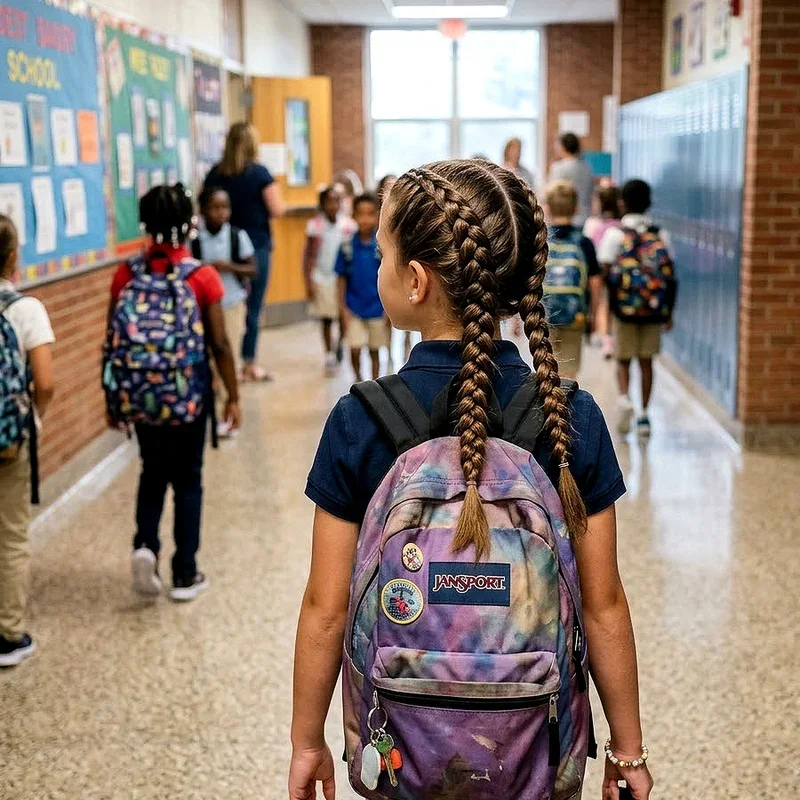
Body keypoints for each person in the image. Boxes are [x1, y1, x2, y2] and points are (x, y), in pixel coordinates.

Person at [291, 160, 652, 800]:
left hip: (400, 752)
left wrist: (307, 742)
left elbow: (327, 608)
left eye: (381, 256)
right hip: (533, 757)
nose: (376, 271)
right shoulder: (572, 417)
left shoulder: (359, 420)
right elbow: (602, 606)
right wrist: (627, 754)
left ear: (416, 281)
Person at [106, 185, 241, 602]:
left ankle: (145, 545)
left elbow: (112, 340)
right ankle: (185, 573)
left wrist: (113, 398)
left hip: (142, 397)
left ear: (144, 225)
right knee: (188, 480)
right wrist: (232, 396)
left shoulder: (126, 275)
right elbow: (219, 344)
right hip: (188, 396)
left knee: (152, 472)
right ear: (190, 223)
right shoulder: (201, 276)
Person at [0, 214, 55, 667]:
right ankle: (8, 634)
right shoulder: (25, 309)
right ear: (14, 256)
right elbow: (46, 381)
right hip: (8, 441)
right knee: (12, 535)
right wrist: (31, 417)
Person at [204, 122, 285, 383]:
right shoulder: (259, 173)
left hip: (222, 247)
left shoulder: (214, 174)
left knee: (224, 302)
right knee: (253, 306)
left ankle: (225, 361)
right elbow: (277, 209)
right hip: (256, 247)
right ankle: (248, 363)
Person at [597, 179, 676, 437]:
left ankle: (624, 399)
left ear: (623, 202)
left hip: (623, 312)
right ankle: (643, 415)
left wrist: (608, 310)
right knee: (646, 362)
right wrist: (668, 312)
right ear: (649, 203)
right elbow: (670, 276)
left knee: (623, 359)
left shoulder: (614, 235)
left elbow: (606, 274)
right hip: (653, 311)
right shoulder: (660, 234)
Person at [194, 186, 256, 436]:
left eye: (224, 207)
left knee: (226, 354)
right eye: (214, 207)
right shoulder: (196, 241)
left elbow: (253, 269)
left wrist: (229, 267)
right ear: (203, 211)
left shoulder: (236, 236)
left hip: (231, 303)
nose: (221, 213)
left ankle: (227, 411)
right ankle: (215, 408)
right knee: (209, 359)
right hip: (202, 308)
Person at [544, 180, 603, 380]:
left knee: (545, 367)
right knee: (569, 371)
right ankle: (566, 408)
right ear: (576, 208)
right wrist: (593, 314)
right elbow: (595, 282)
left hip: (545, 314)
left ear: (548, 208)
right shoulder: (584, 242)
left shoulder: (541, 240)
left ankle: (548, 408)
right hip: (574, 314)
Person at [303, 186, 356, 376]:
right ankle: (328, 354)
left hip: (342, 278)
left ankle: (339, 343)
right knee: (326, 317)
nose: (332, 205)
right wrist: (308, 281)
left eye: (336, 201)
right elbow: (308, 255)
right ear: (322, 204)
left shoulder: (349, 225)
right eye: (328, 201)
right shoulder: (315, 226)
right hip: (321, 276)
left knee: (343, 315)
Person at [336, 194, 387, 382]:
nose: (365, 219)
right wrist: (342, 308)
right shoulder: (347, 246)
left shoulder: (382, 246)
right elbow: (340, 279)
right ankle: (358, 380)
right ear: (353, 216)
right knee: (355, 349)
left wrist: (387, 310)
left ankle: (375, 385)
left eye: (370, 214)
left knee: (375, 351)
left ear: (377, 215)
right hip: (354, 307)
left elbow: (389, 278)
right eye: (360, 214)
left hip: (377, 308)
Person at [583, 184, 622, 359]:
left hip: (597, 270)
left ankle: (599, 333)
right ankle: (609, 337)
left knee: (599, 303)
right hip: (616, 271)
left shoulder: (592, 224)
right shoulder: (620, 225)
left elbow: (587, 247)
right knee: (611, 304)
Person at [549, 132, 594, 227]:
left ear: (563, 147)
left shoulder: (558, 168)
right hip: (586, 219)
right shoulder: (587, 168)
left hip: (565, 221)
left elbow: (552, 195)